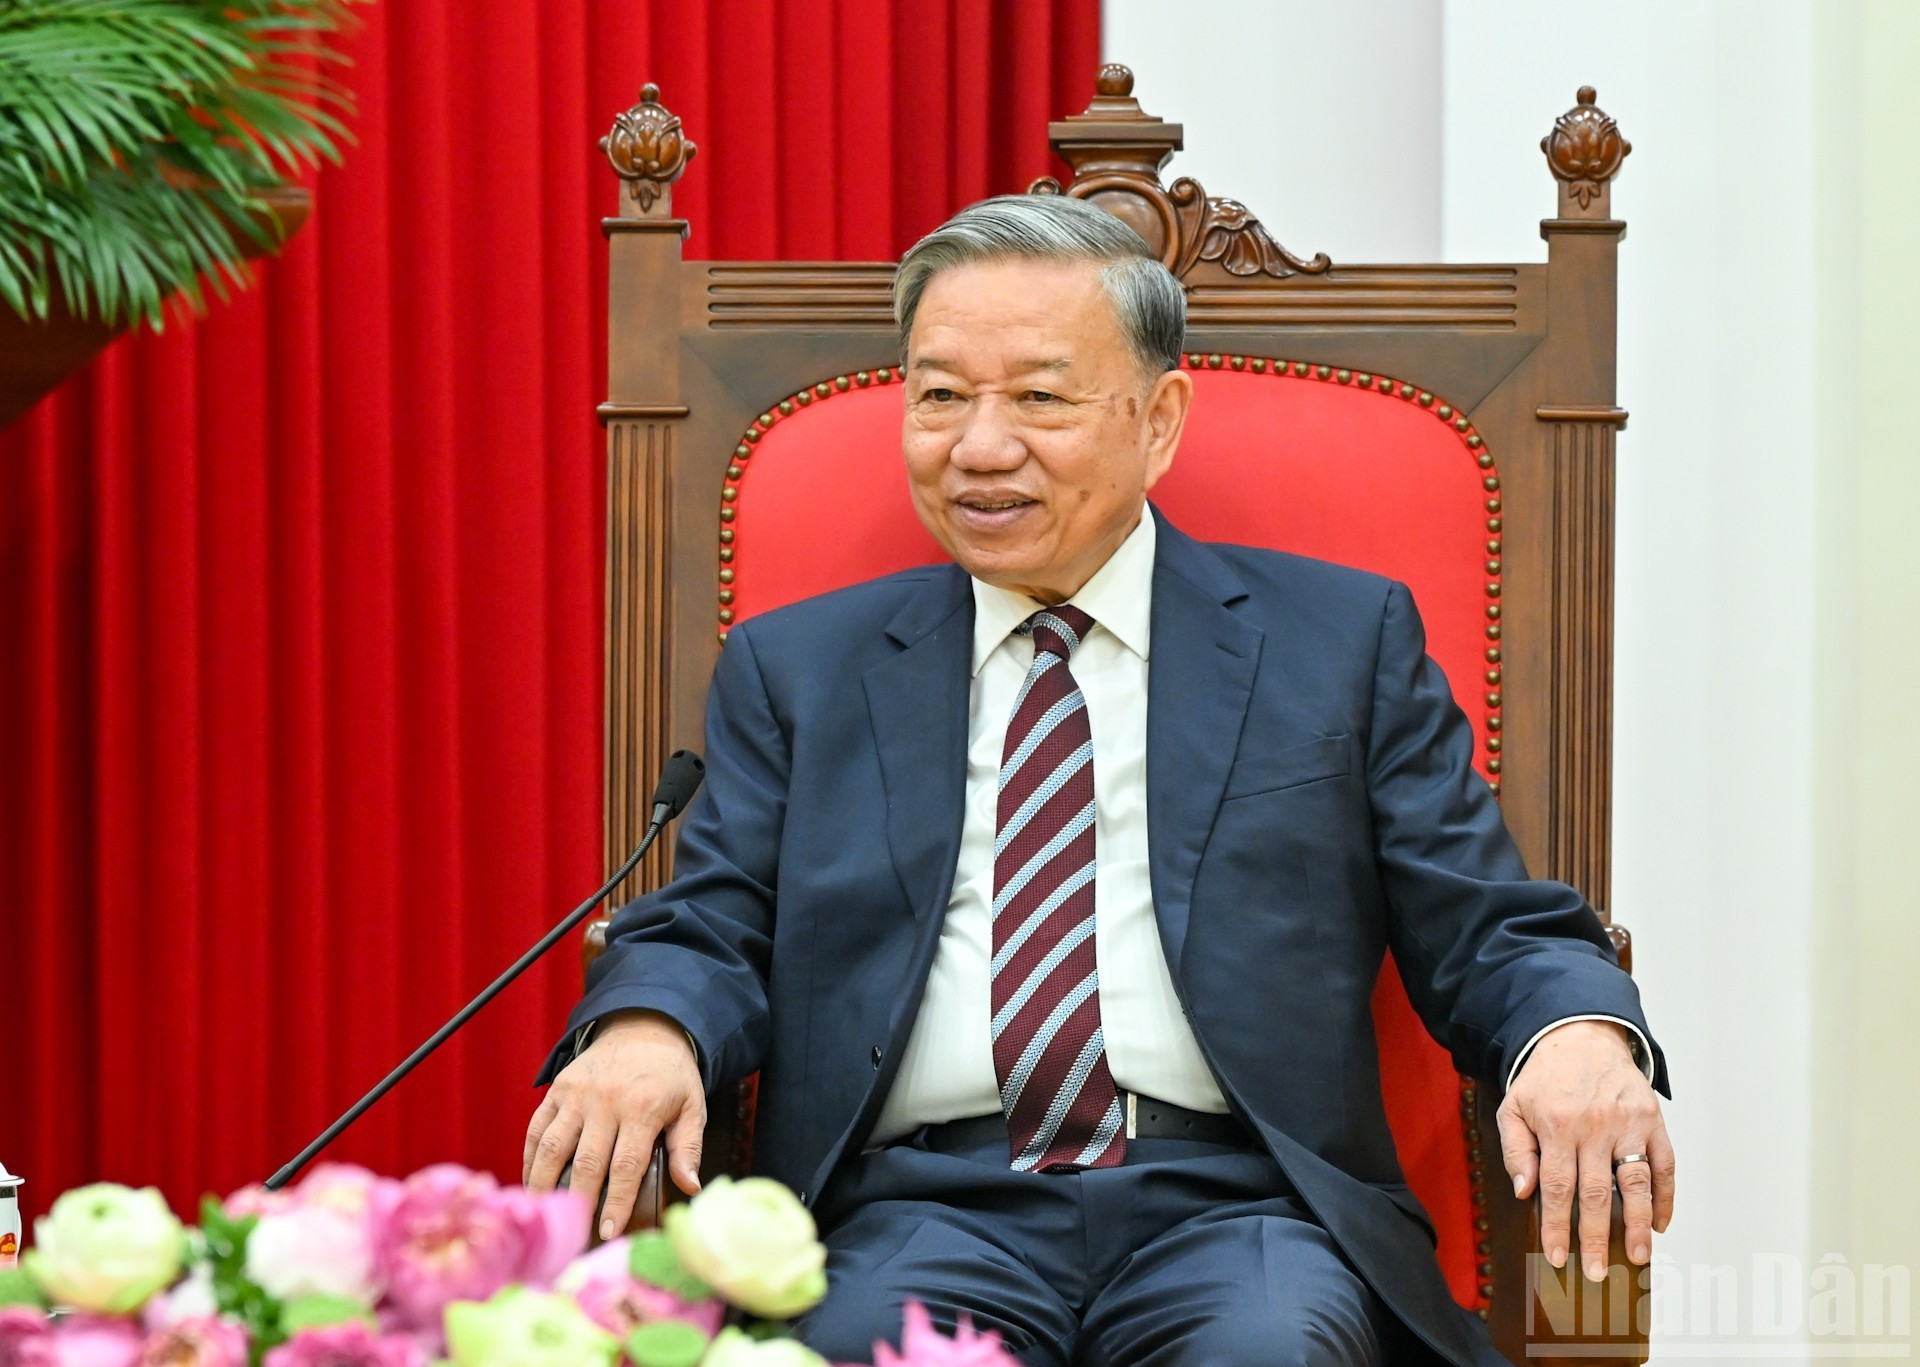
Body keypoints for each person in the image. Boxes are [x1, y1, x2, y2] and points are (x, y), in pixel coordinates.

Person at [523, 195, 1674, 1367]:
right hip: (916, 1207)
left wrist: (1575, 1032)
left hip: (1245, 1206)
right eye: (938, 394)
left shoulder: (1335, 645)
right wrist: (650, 1021)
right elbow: (712, 919)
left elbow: (1485, 923)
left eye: (1039, 396)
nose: (979, 445)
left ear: (1159, 419)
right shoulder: (801, 667)